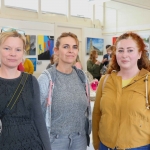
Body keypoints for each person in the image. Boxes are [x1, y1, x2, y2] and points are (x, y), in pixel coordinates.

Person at [92, 32, 150, 150]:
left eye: (130, 50)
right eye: (120, 50)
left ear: (139, 54)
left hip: (138, 146)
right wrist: (97, 144)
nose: (124, 55)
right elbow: (97, 114)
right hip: (105, 145)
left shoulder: (148, 81)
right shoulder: (105, 80)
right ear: (115, 54)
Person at [38, 32, 91, 150]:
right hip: (55, 140)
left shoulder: (81, 77)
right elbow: (37, 112)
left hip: (79, 138)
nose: (71, 50)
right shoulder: (47, 78)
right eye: (66, 46)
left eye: (74, 47)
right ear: (56, 50)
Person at [0, 29, 51, 150]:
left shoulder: (31, 81)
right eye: (7, 48)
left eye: (18, 49)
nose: (13, 53)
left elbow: (38, 119)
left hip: (32, 143)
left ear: (23, 53)